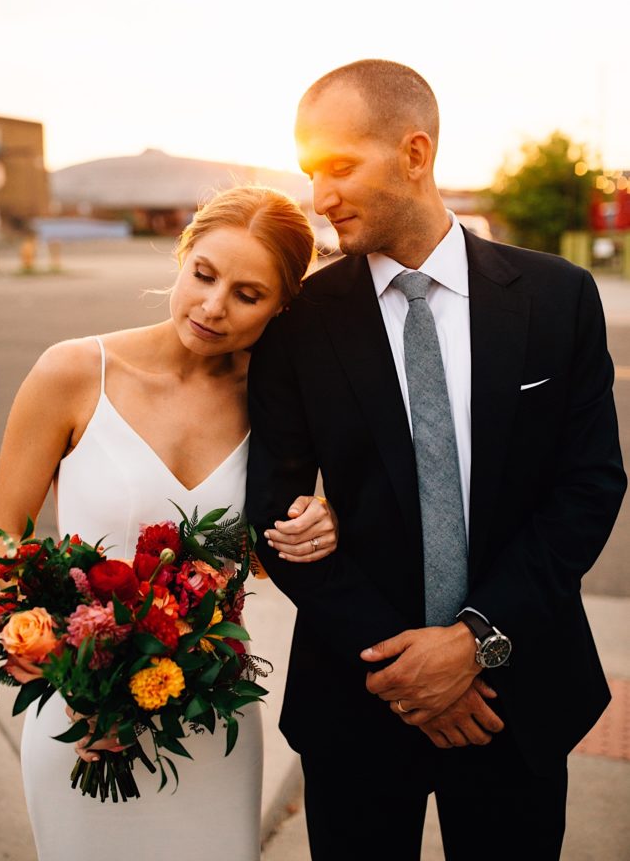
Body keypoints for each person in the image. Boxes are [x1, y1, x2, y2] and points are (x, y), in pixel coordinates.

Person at [245, 60, 626, 860]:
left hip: (511, 694)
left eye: (340, 167)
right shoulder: (299, 321)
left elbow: (587, 486)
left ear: (414, 154)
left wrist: (473, 641)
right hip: (357, 698)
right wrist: (405, 671)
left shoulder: (557, 297)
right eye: (310, 172)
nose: (319, 197)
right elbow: (270, 510)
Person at [0, 185, 339, 861]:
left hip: (211, 713)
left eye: (247, 294)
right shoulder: (73, 371)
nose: (212, 306)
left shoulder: (280, 405)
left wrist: (319, 521)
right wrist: (65, 668)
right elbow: (7, 536)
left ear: (282, 306)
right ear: (181, 258)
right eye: (203, 274)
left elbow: (264, 547)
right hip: (77, 709)